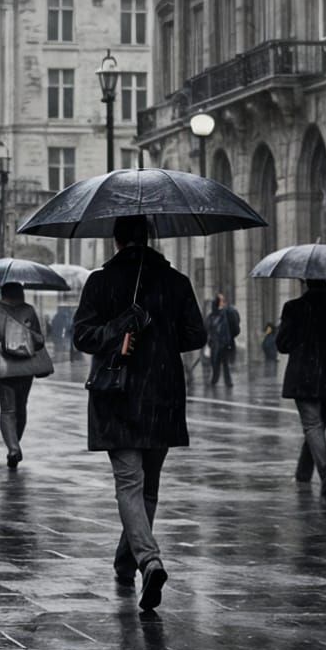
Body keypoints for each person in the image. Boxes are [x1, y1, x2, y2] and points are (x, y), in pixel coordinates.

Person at [73, 214, 206, 613]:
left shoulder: (99, 282)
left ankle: (147, 559)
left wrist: (116, 329)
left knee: (129, 483)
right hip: (162, 391)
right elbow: (196, 335)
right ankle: (126, 559)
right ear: (149, 238)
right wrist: (160, 337)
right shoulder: (176, 282)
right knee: (147, 486)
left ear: (116, 241)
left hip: (118, 392)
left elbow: (82, 336)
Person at [277, 279, 326, 498]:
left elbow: (282, 345)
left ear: (305, 283)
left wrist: (294, 332)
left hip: (301, 377)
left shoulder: (293, 307)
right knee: (317, 426)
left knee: (313, 426)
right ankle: (303, 473)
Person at [0, 281, 54, 467]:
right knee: (21, 406)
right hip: (26, 366)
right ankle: (15, 443)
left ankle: (13, 448)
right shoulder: (29, 310)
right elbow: (40, 340)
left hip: (4, 367)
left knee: (7, 409)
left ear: (3, 293)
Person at [206, 292, 240, 387]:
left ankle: (227, 382)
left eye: (224, 300)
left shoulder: (228, 312)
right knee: (215, 363)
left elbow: (235, 326)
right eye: (221, 300)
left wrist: (230, 337)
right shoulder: (212, 315)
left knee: (225, 364)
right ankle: (215, 380)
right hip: (215, 343)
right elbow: (208, 327)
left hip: (225, 343)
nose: (223, 302)